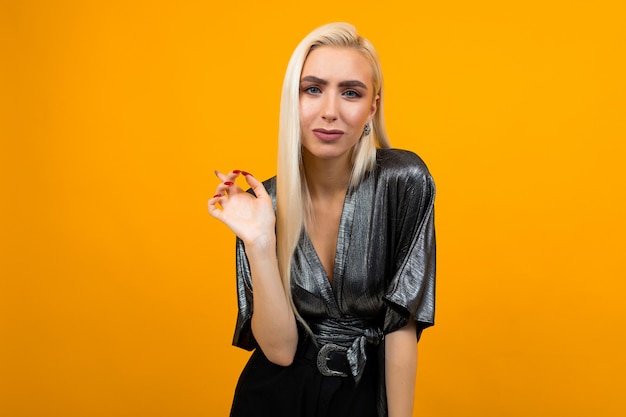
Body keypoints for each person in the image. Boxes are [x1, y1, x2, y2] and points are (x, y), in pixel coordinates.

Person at [208, 22, 436, 417]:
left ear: (372, 107)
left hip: (363, 394)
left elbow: (401, 325)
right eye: (312, 89)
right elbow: (279, 351)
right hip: (272, 399)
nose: (330, 111)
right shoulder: (263, 202)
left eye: (350, 92)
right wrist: (259, 242)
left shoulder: (404, 181)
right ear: (291, 102)